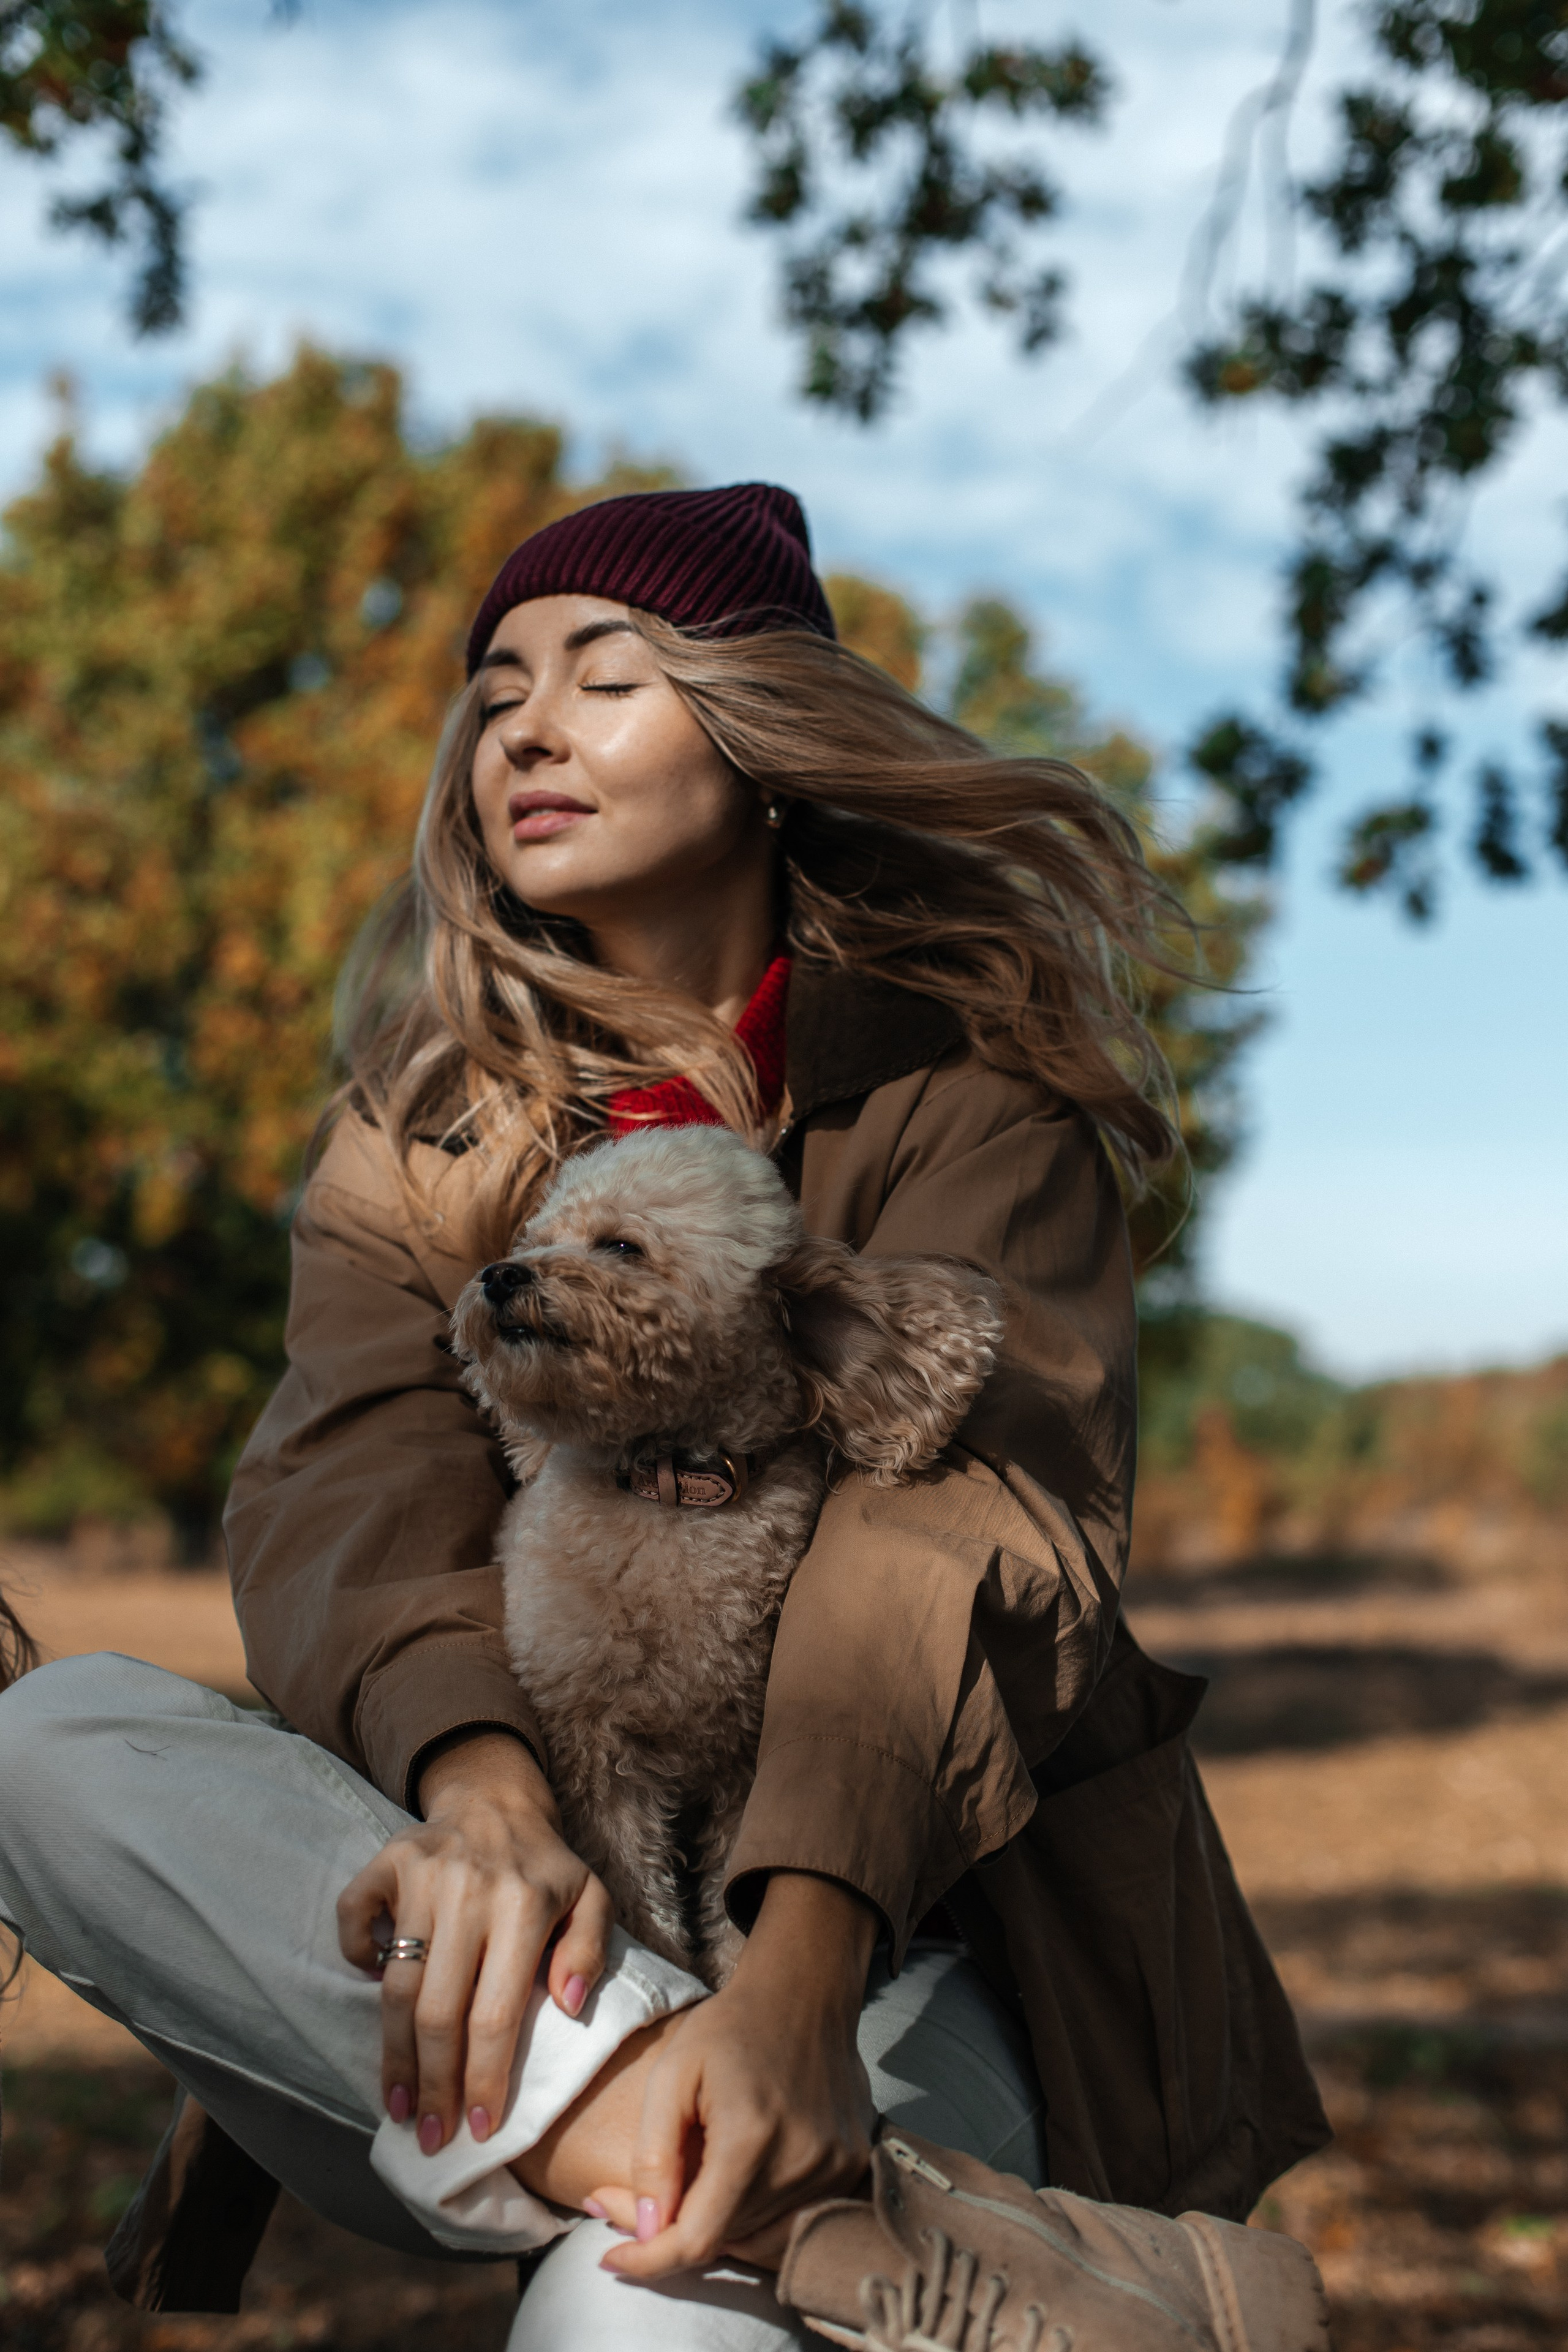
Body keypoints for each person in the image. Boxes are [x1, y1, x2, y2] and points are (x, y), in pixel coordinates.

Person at [0, 484, 1329, 2347]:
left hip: (910, 1942)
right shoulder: (413, 1138)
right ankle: (820, 2227)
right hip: (520, 1922)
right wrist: (476, 1793)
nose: (524, 726)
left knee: (642, 2320)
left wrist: (793, 1997)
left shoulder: (972, 1096)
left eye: (606, 679)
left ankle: (731, 2191)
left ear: (765, 735)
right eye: (497, 694)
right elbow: (350, 1493)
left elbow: (956, 1532)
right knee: (50, 1739)